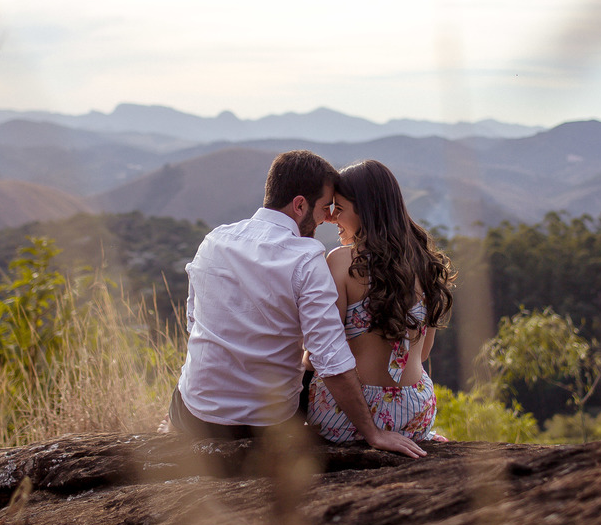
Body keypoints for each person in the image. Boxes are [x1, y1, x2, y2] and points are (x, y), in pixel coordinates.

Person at [169, 149, 426, 458]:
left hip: (194, 415)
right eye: (325, 207)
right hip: (267, 424)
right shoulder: (306, 259)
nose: (328, 218)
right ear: (300, 205)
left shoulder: (213, 241)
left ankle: (170, 425)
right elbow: (329, 358)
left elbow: (194, 322)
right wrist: (372, 432)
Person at [306, 159, 456, 443]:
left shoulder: (341, 261)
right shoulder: (425, 262)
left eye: (339, 208)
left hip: (350, 415)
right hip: (415, 412)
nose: (332, 218)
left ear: (365, 211)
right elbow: (423, 354)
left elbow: (321, 354)